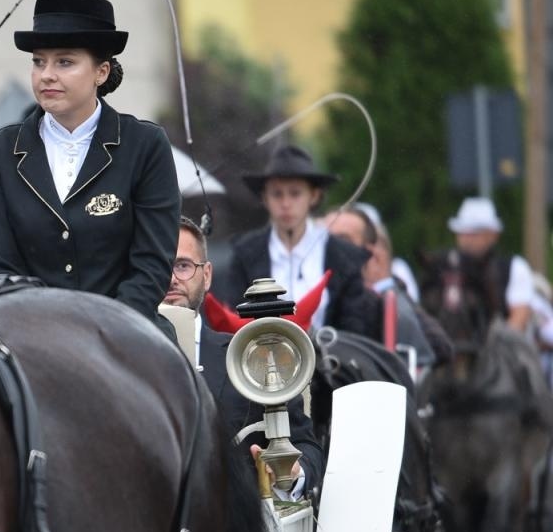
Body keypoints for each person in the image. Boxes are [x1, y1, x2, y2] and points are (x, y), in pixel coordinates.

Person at [0, 0, 179, 329]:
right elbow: (1, 269)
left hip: (128, 331)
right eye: (39, 61)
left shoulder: (145, 145)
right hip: (31, 335)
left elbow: (151, 265)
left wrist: (105, 330)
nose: (47, 75)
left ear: (101, 71)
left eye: (64, 62)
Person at [164, 218, 324, 499]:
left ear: (207, 275)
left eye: (183, 265)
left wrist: (293, 474)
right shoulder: (114, 359)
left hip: (239, 527)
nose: (172, 278)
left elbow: (304, 445)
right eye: (160, 263)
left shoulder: (255, 356)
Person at [208, 145, 380, 339]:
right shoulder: (245, 253)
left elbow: (354, 327)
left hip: (330, 362)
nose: (286, 204)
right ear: (265, 198)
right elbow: (236, 316)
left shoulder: (343, 257)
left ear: (313, 196)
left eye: (295, 193)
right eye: (277, 194)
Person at [322, 205, 448, 377]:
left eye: (343, 240)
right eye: (326, 239)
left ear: (372, 253)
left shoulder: (390, 302)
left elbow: (439, 347)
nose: (332, 248)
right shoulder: (306, 293)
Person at [426, 196, 536, 333]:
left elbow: (519, 317)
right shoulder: (446, 269)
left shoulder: (514, 268)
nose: (467, 239)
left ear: (493, 235)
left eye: (474, 233)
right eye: (463, 233)